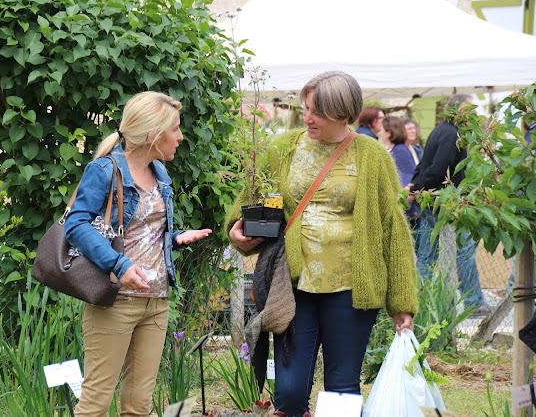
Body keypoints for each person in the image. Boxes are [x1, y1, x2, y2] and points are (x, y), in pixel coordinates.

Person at [225, 71, 418, 417]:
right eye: (306, 108)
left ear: (343, 114)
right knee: (289, 391)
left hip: (351, 289)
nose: (308, 118)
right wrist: (236, 232)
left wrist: (401, 303)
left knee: (342, 389)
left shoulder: (372, 156)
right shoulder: (284, 148)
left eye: (317, 112)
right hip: (293, 286)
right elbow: (249, 201)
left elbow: (394, 229)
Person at [64, 91, 212, 416]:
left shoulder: (160, 173)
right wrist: (118, 263)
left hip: (156, 302)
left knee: (137, 406)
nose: (180, 136)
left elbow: (143, 230)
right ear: (152, 135)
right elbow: (75, 224)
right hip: (116, 301)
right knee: (95, 404)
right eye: (175, 128)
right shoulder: (104, 170)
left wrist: (175, 237)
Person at [410, 93, 491, 317]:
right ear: (460, 110)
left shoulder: (440, 130)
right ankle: (474, 303)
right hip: (447, 203)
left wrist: (417, 187)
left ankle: (420, 301)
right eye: (471, 109)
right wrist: (421, 187)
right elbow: (438, 168)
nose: (474, 113)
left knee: (427, 255)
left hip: (433, 201)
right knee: (463, 251)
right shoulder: (451, 134)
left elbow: (424, 164)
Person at [385, 116, 422, 249]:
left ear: (389, 132)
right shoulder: (401, 149)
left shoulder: (401, 150)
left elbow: (407, 179)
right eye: (408, 128)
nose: (412, 131)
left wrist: (404, 205)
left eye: (413, 128)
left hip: (408, 209)